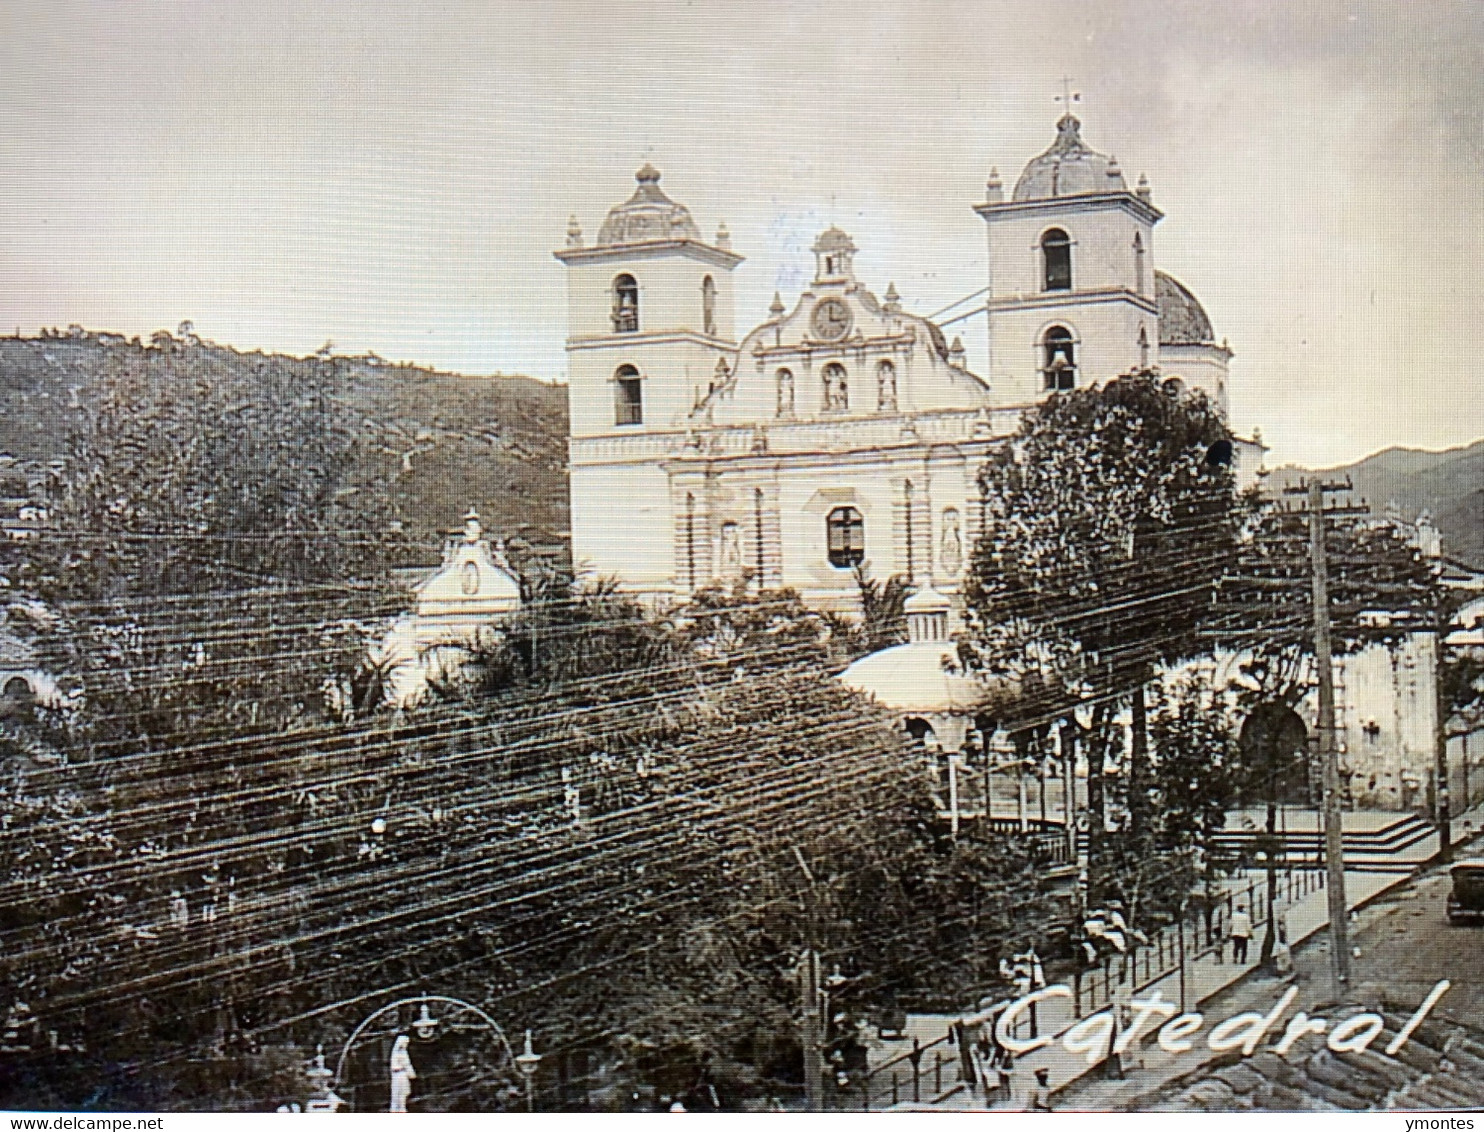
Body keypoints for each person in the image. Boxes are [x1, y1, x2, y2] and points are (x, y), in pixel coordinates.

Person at [389, 1034, 416, 1113]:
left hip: (396, 1074)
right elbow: (406, 1064)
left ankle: (396, 1108)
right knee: (401, 1092)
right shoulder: (401, 1052)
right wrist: (412, 1074)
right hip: (401, 1074)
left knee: (397, 1092)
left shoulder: (395, 1051)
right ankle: (400, 1108)